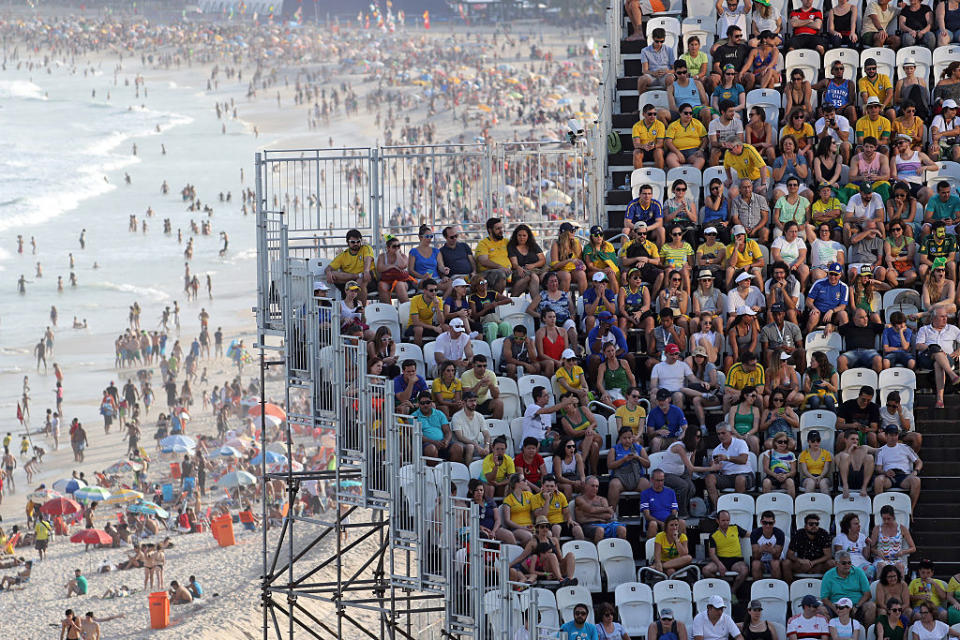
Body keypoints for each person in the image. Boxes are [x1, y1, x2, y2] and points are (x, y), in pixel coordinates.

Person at [511, 515, 579, 587]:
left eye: (547, 526)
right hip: (545, 570)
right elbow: (522, 557)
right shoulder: (533, 543)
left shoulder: (554, 540)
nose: (545, 529)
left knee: (570, 555)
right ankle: (561, 580)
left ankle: (569, 579)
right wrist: (509, 565)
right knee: (552, 556)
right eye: (542, 527)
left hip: (555, 567)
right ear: (537, 528)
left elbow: (560, 558)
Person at [914, 308, 960, 409]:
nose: (945, 319)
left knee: (938, 363)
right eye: (942, 316)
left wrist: (958, 351)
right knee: (935, 348)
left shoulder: (953, 329)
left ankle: (940, 400)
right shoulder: (924, 329)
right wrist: (931, 348)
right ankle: (953, 375)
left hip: (947, 358)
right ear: (934, 318)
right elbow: (918, 346)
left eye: (946, 316)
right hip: (927, 358)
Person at [705, 423, 754, 508]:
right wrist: (714, 467)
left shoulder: (741, 443)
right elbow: (714, 468)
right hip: (727, 477)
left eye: (723, 433)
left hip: (745, 475)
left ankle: (737, 507)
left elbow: (743, 460)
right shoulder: (716, 450)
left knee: (739, 479)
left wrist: (727, 458)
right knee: (709, 478)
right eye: (718, 434)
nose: (721, 436)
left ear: (730, 433)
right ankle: (718, 508)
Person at [821, 550, 876, 624]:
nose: (847, 565)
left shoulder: (859, 572)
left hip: (856, 606)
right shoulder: (828, 575)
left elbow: (867, 594)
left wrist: (856, 606)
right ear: (836, 563)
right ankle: (828, 634)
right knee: (821, 610)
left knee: (871, 606)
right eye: (844, 563)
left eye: (849, 563)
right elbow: (824, 598)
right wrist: (835, 609)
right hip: (836, 607)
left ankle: (865, 633)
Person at [873, 426, 922, 509]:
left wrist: (916, 471)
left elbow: (919, 462)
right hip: (888, 477)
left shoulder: (905, 448)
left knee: (916, 480)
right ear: (886, 435)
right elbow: (878, 468)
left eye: (895, 435)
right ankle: (882, 509)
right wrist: (885, 472)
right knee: (878, 480)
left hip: (904, 476)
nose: (893, 437)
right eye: (891, 435)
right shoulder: (881, 450)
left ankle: (910, 510)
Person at [325, 229, 375, 303]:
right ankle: (358, 276)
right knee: (333, 275)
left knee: (360, 281)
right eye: (353, 242)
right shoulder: (343, 255)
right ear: (347, 242)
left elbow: (368, 259)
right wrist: (328, 272)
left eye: (358, 241)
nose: (356, 244)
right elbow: (329, 268)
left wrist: (366, 270)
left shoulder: (365, 248)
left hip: (368, 277)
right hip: (351, 280)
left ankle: (361, 310)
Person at [607, 427, 651, 510]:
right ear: (620, 438)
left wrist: (638, 458)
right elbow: (610, 465)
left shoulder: (639, 448)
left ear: (632, 437)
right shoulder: (614, 449)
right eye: (624, 438)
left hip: (637, 477)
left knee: (646, 484)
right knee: (613, 484)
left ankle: (647, 514)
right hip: (620, 477)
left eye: (629, 438)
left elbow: (648, 464)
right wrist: (624, 460)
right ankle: (611, 513)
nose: (627, 440)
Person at [413, 392, 463, 463]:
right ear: (418, 404)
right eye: (422, 403)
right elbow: (417, 435)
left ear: (431, 403)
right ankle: (434, 473)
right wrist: (434, 442)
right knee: (431, 449)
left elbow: (448, 431)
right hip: (426, 444)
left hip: (442, 443)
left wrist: (446, 441)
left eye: (427, 402)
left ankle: (453, 472)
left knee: (457, 448)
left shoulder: (439, 413)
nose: (425, 405)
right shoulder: (414, 417)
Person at [575, 475, 627, 542]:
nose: (595, 488)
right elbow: (591, 509)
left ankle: (621, 551)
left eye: (597, 486)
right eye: (592, 486)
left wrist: (588, 515)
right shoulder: (579, 499)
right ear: (585, 486)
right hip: (588, 526)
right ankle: (597, 552)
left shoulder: (602, 499)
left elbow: (608, 516)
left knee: (622, 529)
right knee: (600, 530)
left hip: (605, 524)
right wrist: (606, 509)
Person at [532, 474, 583, 541]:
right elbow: (542, 515)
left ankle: (579, 550)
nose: (549, 488)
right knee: (556, 528)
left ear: (555, 487)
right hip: (546, 524)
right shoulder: (535, 498)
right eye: (547, 486)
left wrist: (569, 519)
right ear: (542, 486)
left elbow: (566, 512)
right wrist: (547, 500)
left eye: (552, 486)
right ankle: (556, 549)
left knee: (577, 529)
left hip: (561, 523)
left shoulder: (560, 495)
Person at [784, 514, 834, 581]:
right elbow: (789, 554)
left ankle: (828, 588)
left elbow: (828, 555)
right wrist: (801, 561)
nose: (814, 526)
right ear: (805, 526)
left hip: (818, 564)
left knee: (831, 563)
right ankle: (789, 587)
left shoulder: (824, 534)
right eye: (811, 524)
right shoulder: (798, 534)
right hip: (802, 564)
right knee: (786, 563)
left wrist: (812, 563)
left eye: (816, 524)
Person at [870, 505, 917, 575]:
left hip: (897, 559)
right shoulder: (877, 529)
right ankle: (880, 585)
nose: (886, 521)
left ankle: (901, 585)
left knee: (900, 566)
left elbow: (913, 548)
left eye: (889, 519)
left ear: (893, 517)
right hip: (882, 559)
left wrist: (903, 552)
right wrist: (877, 552)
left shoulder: (901, 528)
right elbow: (871, 547)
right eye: (884, 519)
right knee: (881, 566)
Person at [469, 478, 514, 543]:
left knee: (509, 535)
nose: (479, 492)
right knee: (484, 536)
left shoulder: (490, 501)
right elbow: (468, 521)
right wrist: (480, 527)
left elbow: (498, 519)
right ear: (471, 491)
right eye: (476, 490)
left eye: (481, 490)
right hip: (479, 530)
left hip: (494, 529)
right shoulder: (469, 504)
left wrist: (493, 531)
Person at [507, 224, 546, 296]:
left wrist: (533, 265)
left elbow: (543, 260)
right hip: (521, 271)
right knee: (533, 277)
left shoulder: (533, 246)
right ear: (516, 236)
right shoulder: (512, 247)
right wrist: (518, 267)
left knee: (545, 277)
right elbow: (514, 263)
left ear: (528, 236)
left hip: (537, 269)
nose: (522, 238)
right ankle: (535, 303)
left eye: (524, 235)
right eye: (519, 235)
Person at [470, 275, 511, 344]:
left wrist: (496, 304)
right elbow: (475, 316)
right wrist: (487, 308)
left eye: (485, 282)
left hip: (495, 319)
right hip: (484, 322)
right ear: (476, 286)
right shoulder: (473, 298)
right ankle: (491, 348)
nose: (484, 284)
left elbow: (508, 300)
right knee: (492, 326)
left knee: (506, 325)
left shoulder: (491, 293)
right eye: (481, 283)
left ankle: (510, 346)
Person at [451, 391, 490, 463]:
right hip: (461, 445)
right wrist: (475, 445)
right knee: (470, 447)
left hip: (475, 443)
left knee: (494, 444)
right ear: (464, 402)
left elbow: (486, 434)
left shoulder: (479, 416)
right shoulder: (457, 416)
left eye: (475, 400)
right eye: (471, 401)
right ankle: (468, 469)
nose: (474, 403)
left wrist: (487, 446)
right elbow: (460, 437)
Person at [836, 431, 877, 499]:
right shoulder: (839, 455)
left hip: (863, 481)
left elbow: (880, 450)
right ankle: (845, 487)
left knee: (869, 457)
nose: (855, 441)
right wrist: (849, 452)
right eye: (852, 439)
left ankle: (864, 488)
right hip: (848, 481)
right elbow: (840, 467)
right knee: (844, 456)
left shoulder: (864, 448)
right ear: (845, 440)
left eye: (857, 439)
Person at [666, 104, 708, 170]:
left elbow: (705, 139)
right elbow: (668, 142)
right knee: (670, 159)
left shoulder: (697, 123)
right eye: (686, 113)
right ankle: (680, 177)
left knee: (700, 160)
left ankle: (692, 177)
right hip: (677, 150)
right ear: (680, 113)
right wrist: (678, 153)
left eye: (690, 113)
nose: (688, 115)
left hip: (694, 151)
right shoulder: (673, 125)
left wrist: (701, 150)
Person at [460, 355, 503, 419]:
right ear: (473, 366)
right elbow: (467, 396)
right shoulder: (466, 375)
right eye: (479, 366)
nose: (483, 368)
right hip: (470, 402)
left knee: (499, 403)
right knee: (463, 404)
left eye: (485, 366)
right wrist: (479, 383)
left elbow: (496, 396)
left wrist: (491, 385)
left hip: (483, 402)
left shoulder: (491, 374)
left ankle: (494, 425)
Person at [474, 218, 511, 293]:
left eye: (501, 228)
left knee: (525, 275)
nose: (501, 231)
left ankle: (511, 300)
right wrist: (500, 267)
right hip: (488, 273)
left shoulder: (506, 241)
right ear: (490, 230)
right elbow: (483, 261)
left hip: (508, 272)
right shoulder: (483, 243)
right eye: (498, 229)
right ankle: (496, 301)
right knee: (500, 274)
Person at [647, 388, 689, 453]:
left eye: (663, 400)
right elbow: (649, 433)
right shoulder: (653, 413)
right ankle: (656, 462)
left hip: (674, 438)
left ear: (669, 399)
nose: (661, 402)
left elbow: (685, 429)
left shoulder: (677, 410)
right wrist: (657, 432)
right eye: (659, 400)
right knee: (656, 441)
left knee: (679, 443)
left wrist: (679, 439)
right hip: (660, 439)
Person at [405, 278, 444, 347]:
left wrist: (437, 307)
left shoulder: (438, 300)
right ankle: (419, 353)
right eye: (431, 290)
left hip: (428, 326)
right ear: (424, 291)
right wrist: (433, 328)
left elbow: (441, 321)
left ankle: (439, 352)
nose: (434, 292)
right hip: (413, 327)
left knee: (444, 328)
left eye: (436, 290)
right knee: (419, 329)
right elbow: (416, 322)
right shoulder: (415, 300)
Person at [652, 514, 694, 578]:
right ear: (666, 526)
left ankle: (659, 566)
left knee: (689, 558)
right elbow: (657, 555)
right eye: (671, 525)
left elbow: (684, 554)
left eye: (676, 525)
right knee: (671, 571)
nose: (674, 528)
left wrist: (676, 540)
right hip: (663, 561)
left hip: (677, 562)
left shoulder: (683, 536)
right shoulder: (659, 536)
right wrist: (658, 563)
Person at [725, 223, 766, 288]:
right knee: (729, 270)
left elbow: (761, 262)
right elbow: (732, 264)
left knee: (756, 271)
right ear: (733, 237)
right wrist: (736, 248)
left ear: (744, 235)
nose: (738, 237)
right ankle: (729, 294)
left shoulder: (752, 243)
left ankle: (762, 294)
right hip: (738, 269)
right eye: (736, 235)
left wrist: (749, 266)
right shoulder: (729, 247)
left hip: (751, 267)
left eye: (740, 235)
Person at [637, 27, 677, 94]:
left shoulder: (669, 50)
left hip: (665, 75)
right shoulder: (645, 51)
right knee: (642, 80)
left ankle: (671, 102)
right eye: (657, 41)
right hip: (652, 77)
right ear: (653, 38)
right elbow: (644, 70)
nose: (659, 44)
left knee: (670, 78)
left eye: (661, 41)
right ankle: (642, 102)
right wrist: (653, 73)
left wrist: (666, 71)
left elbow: (674, 69)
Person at [502, 472, 537, 544]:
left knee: (546, 535)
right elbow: (507, 520)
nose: (526, 481)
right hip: (516, 528)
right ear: (517, 484)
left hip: (530, 526)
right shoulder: (508, 499)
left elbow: (537, 508)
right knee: (529, 537)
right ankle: (524, 553)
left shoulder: (529, 495)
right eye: (523, 480)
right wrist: (522, 527)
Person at [751, 511, 786, 580]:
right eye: (765, 523)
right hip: (762, 562)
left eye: (770, 523)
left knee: (775, 563)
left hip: (777, 562)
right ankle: (759, 589)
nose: (768, 525)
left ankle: (776, 588)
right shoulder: (755, 533)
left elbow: (777, 556)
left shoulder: (780, 533)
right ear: (761, 522)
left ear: (774, 522)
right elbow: (755, 557)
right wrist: (761, 550)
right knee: (755, 564)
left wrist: (772, 550)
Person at [762, 432, 797, 496]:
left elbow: (793, 471)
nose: (783, 444)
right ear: (775, 442)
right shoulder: (769, 452)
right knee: (766, 482)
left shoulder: (791, 455)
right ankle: (766, 504)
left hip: (786, 477)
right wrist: (775, 475)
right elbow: (765, 469)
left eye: (785, 442)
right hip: (772, 477)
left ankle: (792, 503)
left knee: (790, 482)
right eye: (780, 442)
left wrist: (786, 476)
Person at [634, 103, 667, 169]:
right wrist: (644, 146)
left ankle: (659, 176)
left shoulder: (660, 125)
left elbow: (660, 143)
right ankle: (638, 176)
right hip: (643, 149)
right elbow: (636, 144)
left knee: (659, 152)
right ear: (643, 114)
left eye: (654, 114)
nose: (653, 116)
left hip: (655, 148)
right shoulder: (637, 126)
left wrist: (653, 146)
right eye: (650, 114)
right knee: (636, 152)